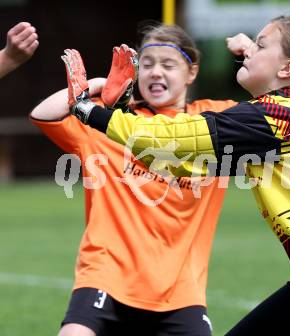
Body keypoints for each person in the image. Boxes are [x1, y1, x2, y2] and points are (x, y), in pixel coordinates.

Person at [65, 15, 290, 335]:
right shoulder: (277, 115)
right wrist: (122, 109)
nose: (247, 49)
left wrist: (87, 108)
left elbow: (177, 139)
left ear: (288, 68)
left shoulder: (277, 115)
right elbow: (178, 159)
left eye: (260, 45)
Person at [30, 23, 236, 336]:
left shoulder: (212, 121)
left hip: (180, 291)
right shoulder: (109, 121)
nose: (156, 73)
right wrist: (101, 85)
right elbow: (45, 114)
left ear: (191, 73)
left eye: (168, 65)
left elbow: (274, 111)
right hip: (105, 276)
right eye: (147, 64)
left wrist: (250, 53)